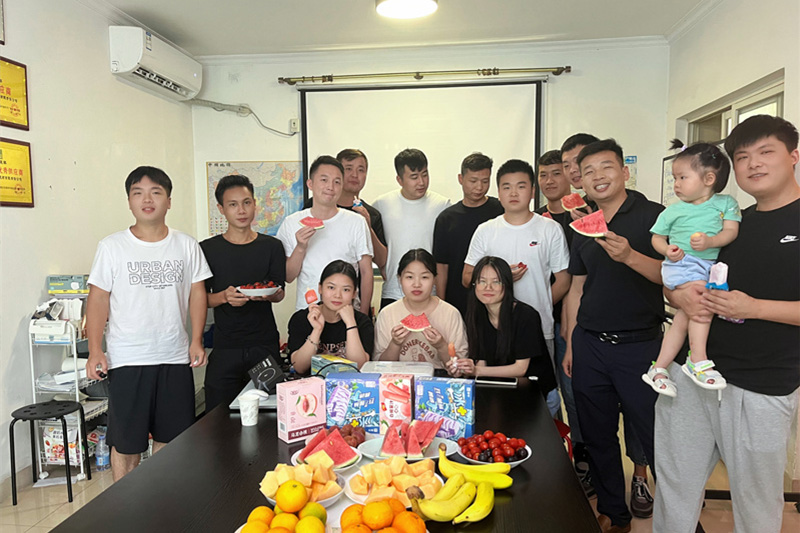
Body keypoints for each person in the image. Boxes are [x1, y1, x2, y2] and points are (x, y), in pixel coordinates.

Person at [653, 115, 800, 533]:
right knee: (675, 488)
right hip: (692, 374)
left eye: (765, 152)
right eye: (743, 157)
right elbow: (681, 281)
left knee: (756, 502)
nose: (753, 164)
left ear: (793, 156)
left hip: (762, 383)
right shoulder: (730, 223)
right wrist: (677, 295)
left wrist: (755, 307)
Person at [562, 139, 665, 533]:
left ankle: (678, 517)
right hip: (590, 344)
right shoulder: (582, 223)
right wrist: (571, 343)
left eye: (606, 167)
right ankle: (613, 513)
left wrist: (630, 257)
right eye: (588, 171)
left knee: (656, 437)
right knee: (598, 435)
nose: (597, 176)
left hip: (641, 347)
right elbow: (576, 288)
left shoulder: (655, 216)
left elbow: (674, 278)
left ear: (624, 172)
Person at [85, 166, 212, 481]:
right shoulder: (112, 246)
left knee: (173, 441)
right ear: (129, 201)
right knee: (127, 443)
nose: (147, 199)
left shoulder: (186, 245)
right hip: (127, 358)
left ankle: (163, 503)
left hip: (174, 356)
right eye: (138, 193)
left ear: (169, 201)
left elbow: (198, 293)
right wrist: (95, 349)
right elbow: (98, 299)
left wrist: (196, 340)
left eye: (156, 192)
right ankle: (125, 505)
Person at [642, 141, 740, 397]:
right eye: (675, 178)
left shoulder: (726, 204)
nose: (676, 184)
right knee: (702, 305)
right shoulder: (673, 211)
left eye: (682, 177)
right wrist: (667, 250)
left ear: (709, 179)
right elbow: (657, 238)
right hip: (682, 264)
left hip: (709, 267)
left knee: (683, 318)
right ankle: (697, 359)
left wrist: (710, 242)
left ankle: (658, 367)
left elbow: (731, 231)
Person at [463, 159, 571, 369]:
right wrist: (501, 279)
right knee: (493, 384)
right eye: (507, 187)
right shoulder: (485, 230)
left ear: (532, 191)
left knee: (541, 386)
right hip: (493, 329)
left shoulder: (550, 229)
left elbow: (564, 280)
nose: (513, 193)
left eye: (521, 186)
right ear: (499, 193)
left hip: (539, 327)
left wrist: (538, 306)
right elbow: (467, 278)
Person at [200, 174, 286, 413]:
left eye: (247, 202)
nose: (241, 210)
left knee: (270, 412)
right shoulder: (207, 249)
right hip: (225, 347)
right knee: (218, 416)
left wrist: (269, 294)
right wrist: (223, 297)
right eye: (233, 204)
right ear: (221, 209)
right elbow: (199, 299)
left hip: (264, 346)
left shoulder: (272, 246)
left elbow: (280, 292)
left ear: (255, 204)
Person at [533, 149, 590, 482]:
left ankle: (581, 451)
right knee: (544, 391)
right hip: (540, 321)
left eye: (557, 173)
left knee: (573, 391)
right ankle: (551, 449)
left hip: (574, 321)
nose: (550, 180)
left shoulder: (584, 215)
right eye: (544, 174)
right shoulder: (535, 220)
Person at [451, 256, 559, 415]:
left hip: (537, 394)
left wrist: (476, 371)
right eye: (482, 281)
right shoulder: (477, 315)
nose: (488, 287)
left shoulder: (526, 316)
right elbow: (482, 361)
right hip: (502, 391)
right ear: (474, 285)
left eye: (496, 282)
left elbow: (521, 368)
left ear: (507, 285)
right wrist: (464, 369)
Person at [277, 155, 373, 312]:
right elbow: (288, 276)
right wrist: (300, 247)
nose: (330, 187)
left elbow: (366, 272)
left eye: (337, 182)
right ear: (310, 184)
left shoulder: (357, 222)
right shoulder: (291, 223)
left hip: (347, 313)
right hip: (308, 310)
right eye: (324, 180)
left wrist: (362, 314)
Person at [372, 149, 450, 309]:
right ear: (399, 179)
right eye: (414, 177)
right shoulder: (382, 204)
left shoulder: (442, 205)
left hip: (430, 293)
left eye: (425, 174)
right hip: (393, 292)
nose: (421, 182)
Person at [433, 152, 504, 316]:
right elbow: (441, 266)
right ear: (461, 178)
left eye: (485, 181)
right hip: (458, 298)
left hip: (495, 297)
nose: (479, 187)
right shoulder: (447, 218)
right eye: (473, 181)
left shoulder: (500, 210)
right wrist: (442, 305)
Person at [374, 249, 467, 370]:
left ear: (434, 279)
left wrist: (441, 346)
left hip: (438, 377)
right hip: (399, 378)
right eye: (409, 277)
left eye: (424, 277)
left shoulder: (451, 314)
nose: (417, 284)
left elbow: (460, 369)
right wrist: (395, 343)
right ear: (400, 279)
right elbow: (380, 367)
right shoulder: (386, 314)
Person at [303, 149, 387, 270]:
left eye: (361, 170)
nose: (355, 175)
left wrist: (367, 227)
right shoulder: (314, 205)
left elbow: (382, 261)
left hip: (354, 281)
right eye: (348, 168)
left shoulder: (371, 214)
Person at [287, 260, 374, 374]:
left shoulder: (362, 321)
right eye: (331, 287)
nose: (337, 295)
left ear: (354, 293)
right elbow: (299, 367)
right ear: (320, 288)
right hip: (310, 382)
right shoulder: (302, 318)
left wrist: (351, 323)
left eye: (346, 290)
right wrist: (317, 330)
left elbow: (359, 366)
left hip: (349, 383)